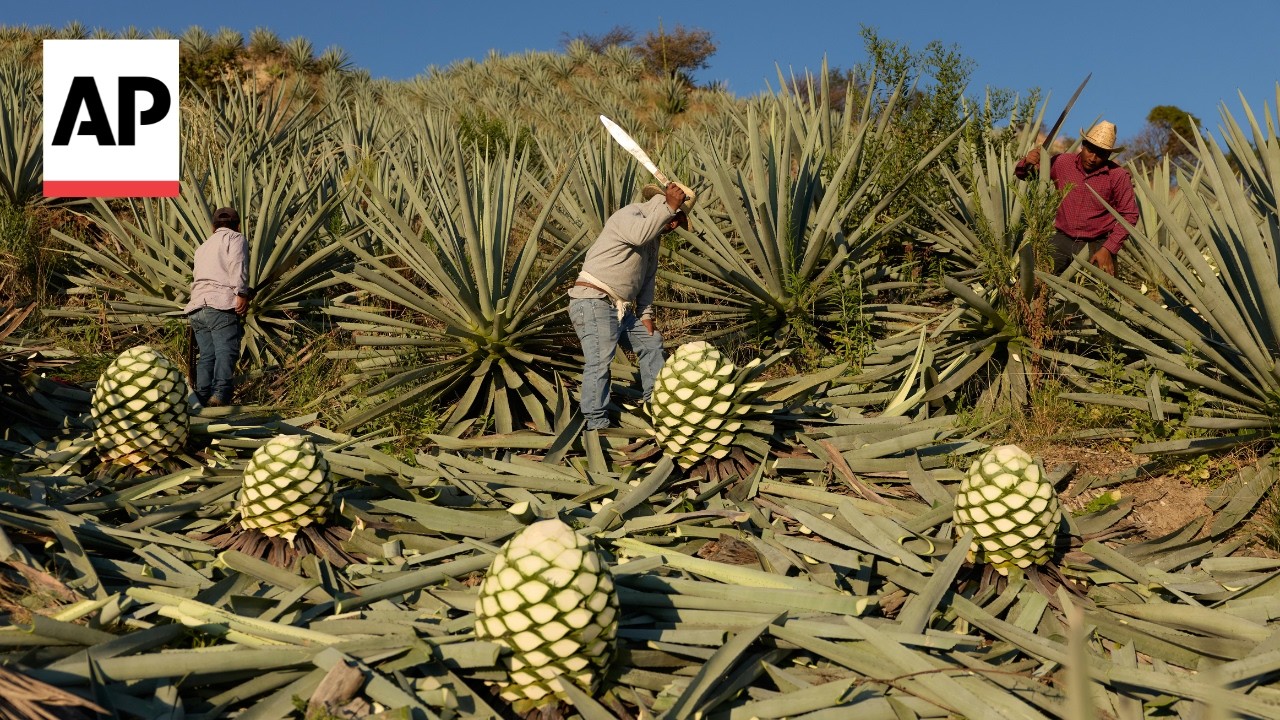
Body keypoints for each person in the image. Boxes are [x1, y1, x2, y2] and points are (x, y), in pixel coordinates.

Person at [569, 181, 695, 431]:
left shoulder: (654, 239)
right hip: (594, 300)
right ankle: (596, 424)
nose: (673, 224)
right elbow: (639, 235)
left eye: (678, 221)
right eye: (674, 217)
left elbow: (648, 279)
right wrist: (670, 207)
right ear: (661, 202)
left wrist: (645, 314)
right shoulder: (630, 215)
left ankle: (656, 406)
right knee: (600, 360)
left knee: (651, 343)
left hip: (620, 309)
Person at [1015, 120, 1139, 275]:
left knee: (1100, 289)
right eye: (1090, 150)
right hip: (1061, 239)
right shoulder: (1062, 162)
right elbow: (1027, 175)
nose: (1093, 158)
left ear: (1108, 155)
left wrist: (1108, 248)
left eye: (1101, 154)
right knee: (1037, 279)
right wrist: (1027, 162)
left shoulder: (1118, 176)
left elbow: (1130, 215)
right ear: (1083, 145)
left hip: (1098, 244)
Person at [184, 207, 252, 407]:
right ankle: (220, 395)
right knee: (226, 351)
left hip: (197, 307)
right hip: (219, 305)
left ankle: (201, 397)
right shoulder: (235, 238)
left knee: (207, 355)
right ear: (237, 226)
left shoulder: (202, 247)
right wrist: (242, 293)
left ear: (213, 228)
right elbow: (237, 266)